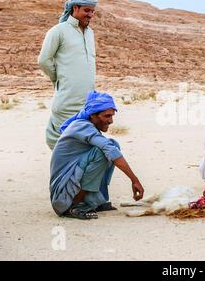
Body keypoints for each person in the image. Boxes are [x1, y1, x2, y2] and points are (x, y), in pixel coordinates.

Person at [50, 91, 144, 220]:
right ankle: (76, 204)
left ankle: (92, 200)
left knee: (112, 144)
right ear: (92, 115)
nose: (111, 121)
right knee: (103, 152)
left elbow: (111, 148)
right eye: (106, 116)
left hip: (70, 185)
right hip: (62, 196)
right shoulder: (81, 126)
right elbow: (110, 151)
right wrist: (135, 180)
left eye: (112, 116)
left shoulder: (87, 126)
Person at [38, 0, 99, 150]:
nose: (90, 15)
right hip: (67, 99)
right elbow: (44, 60)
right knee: (64, 142)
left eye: (93, 11)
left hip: (87, 100)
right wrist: (57, 78)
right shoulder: (59, 31)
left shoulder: (90, 33)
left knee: (85, 142)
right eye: (87, 10)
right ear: (75, 8)